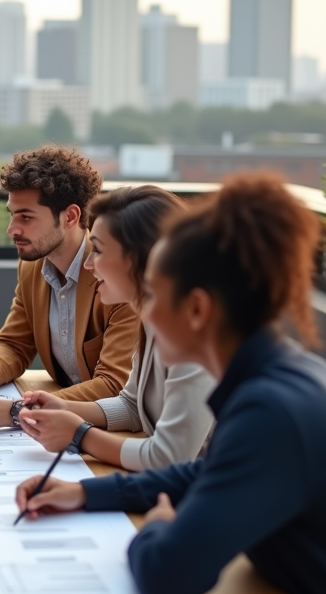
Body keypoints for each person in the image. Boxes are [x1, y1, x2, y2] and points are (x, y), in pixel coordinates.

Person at [14, 174, 326, 594]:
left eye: (154, 296)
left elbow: (167, 574)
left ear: (198, 309)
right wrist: (83, 492)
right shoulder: (279, 374)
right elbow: (206, 472)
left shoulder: (272, 409)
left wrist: (159, 524)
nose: (146, 315)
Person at [11, 186, 216, 471]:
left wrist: (79, 435)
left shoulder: (197, 336)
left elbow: (170, 457)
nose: (89, 263)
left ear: (143, 257)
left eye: (99, 250)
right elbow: (133, 406)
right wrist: (62, 408)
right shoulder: (155, 320)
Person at [0, 146, 139, 428]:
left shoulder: (116, 276)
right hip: (64, 425)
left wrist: (15, 411)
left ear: (70, 217)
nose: (12, 229)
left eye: (26, 217)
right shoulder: (33, 265)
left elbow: (114, 385)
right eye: (12, 214)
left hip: (115, 427)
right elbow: (14, 343)